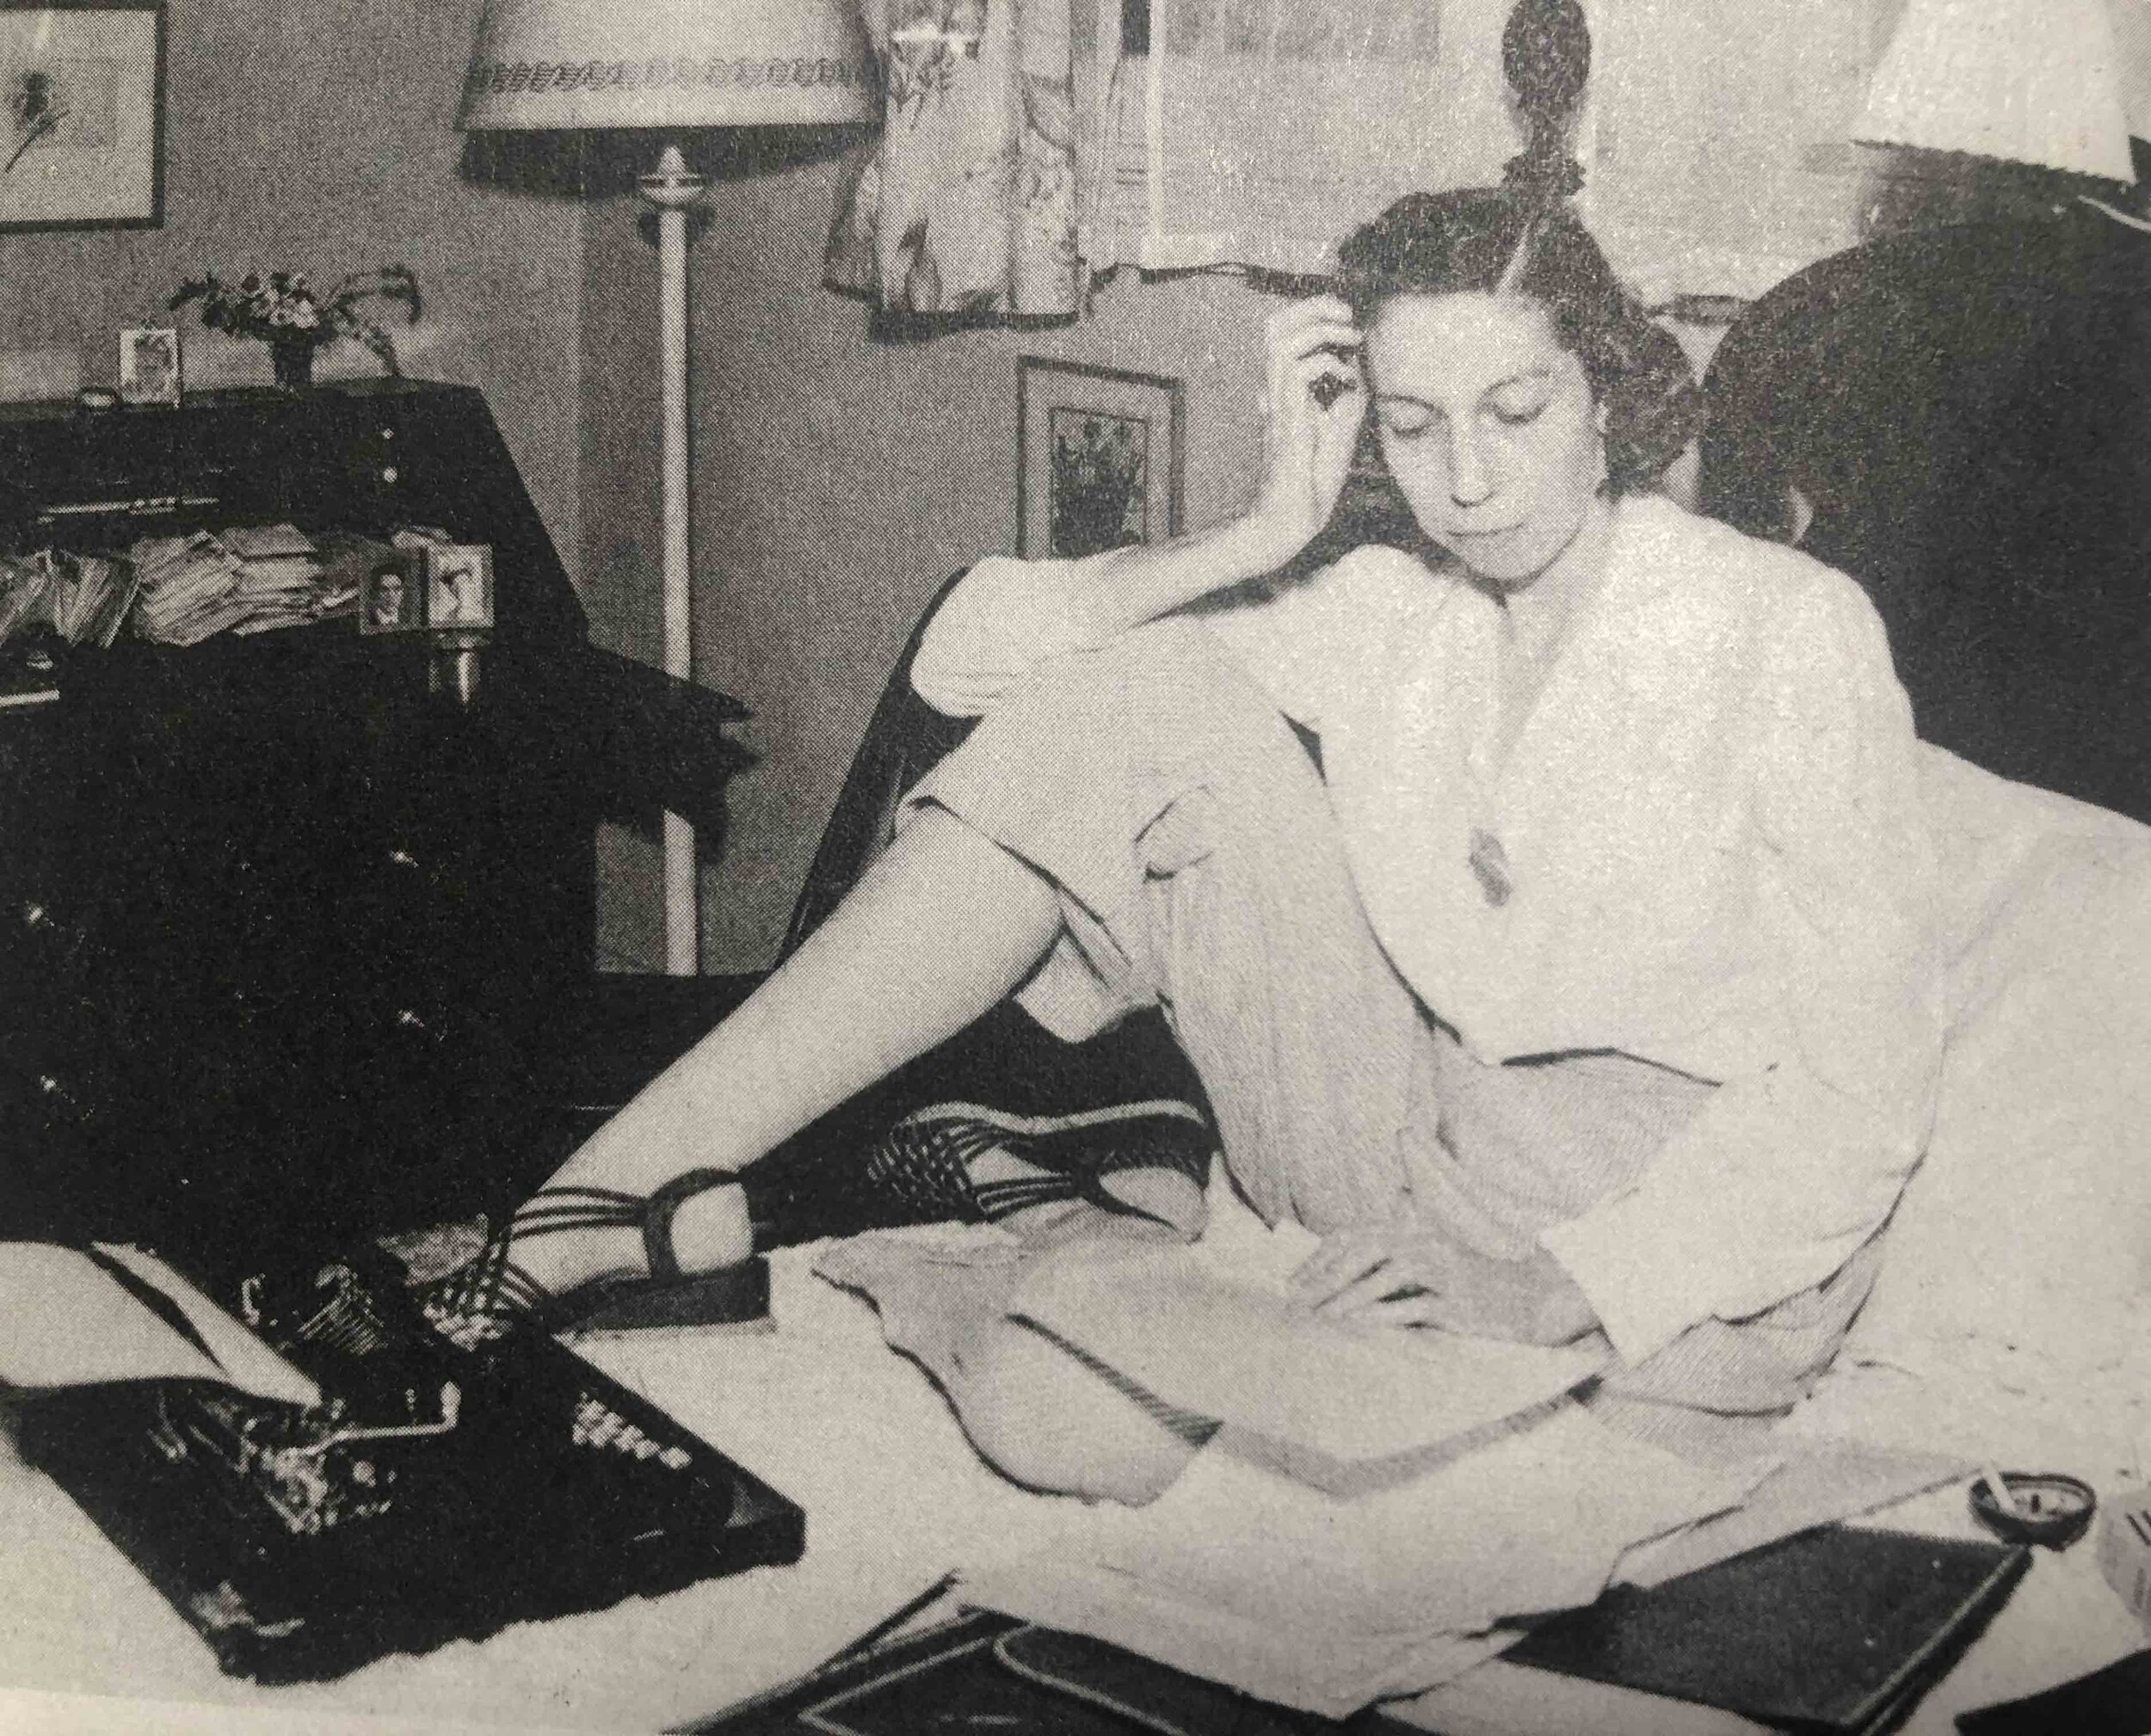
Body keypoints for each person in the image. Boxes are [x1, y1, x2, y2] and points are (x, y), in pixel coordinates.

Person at [436, 163, 1940, 1499]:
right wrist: (1264, 529)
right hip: (1422, 1152)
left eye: (1515, 410)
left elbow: (1862, 1092)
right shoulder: (1390, 608)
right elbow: (965, 669)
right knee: (1145, 690)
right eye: (1412, 425)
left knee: (1065, 1419)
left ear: (1608, 391)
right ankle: (619, 1193)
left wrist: (1560, 1284)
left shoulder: (1783, 629)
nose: (1466, 479)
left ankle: (1048, 1216)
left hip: (1675, 1251)